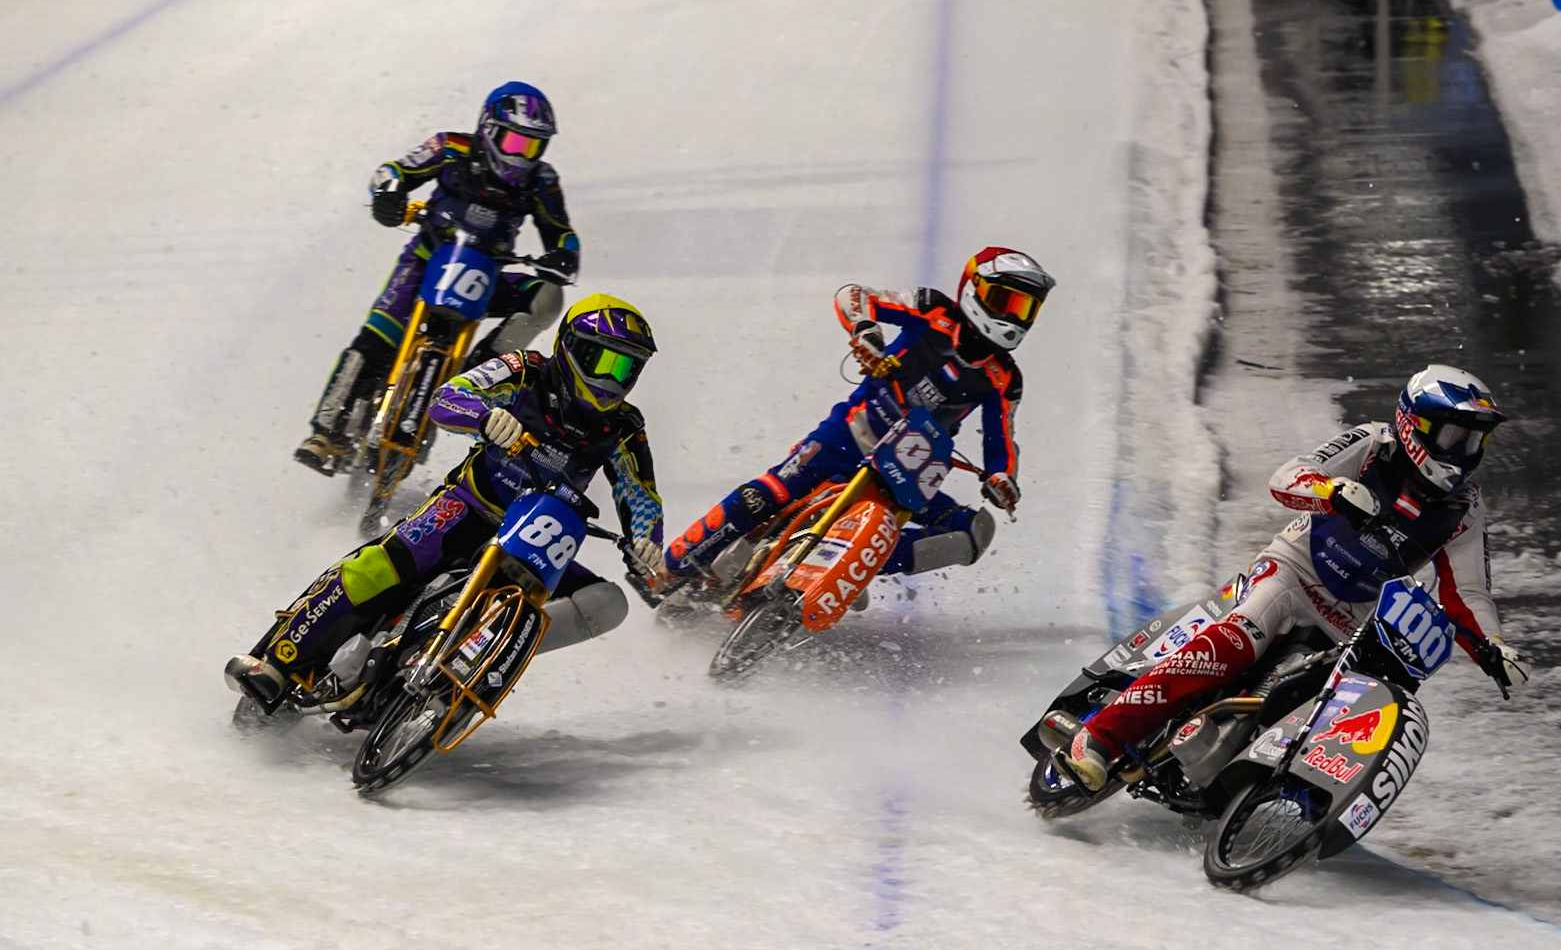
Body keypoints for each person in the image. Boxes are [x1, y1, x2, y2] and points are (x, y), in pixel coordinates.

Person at [1058, 364, 1532, 791]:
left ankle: (1253, 788)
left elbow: (1466, 593)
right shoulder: (1371, 444)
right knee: (1233, 646)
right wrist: (1332, 491)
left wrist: (1493, 644)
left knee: (1326, 707)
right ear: (1415, 426)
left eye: (1475, 440)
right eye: (1455, 435)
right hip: (1294, 571)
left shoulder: (1465, 511)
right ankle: (1098, 737)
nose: (1465, 451)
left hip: (1356, 620)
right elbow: (1288, 475)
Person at [228, 294, 667, 717]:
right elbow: (446, 397)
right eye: (602, 361)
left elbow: (640, 494)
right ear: (568, 345)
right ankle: (278, 663)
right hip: (468, 507)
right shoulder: (525, 368)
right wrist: (483, 417)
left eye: (626, 368)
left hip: (538, 542)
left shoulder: (626, 426)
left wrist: (646, 541)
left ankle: (491, 658)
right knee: (378, 566)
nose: (611, 380)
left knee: (609, 602)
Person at [644, 247, 1056, 600]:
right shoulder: (931, 309)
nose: (1013, 318)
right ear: (972, 289)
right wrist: (864, 331)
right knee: (767, 494)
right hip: (851, 436)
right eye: (1004, 301)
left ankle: (844, 572)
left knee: (973, 532)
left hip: (912, 470)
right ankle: (674, 567)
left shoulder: (1005, 378)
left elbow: (1002, 437)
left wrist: (1002, 477)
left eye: (1025, 308)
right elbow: (855, 295)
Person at [294, 81, 582, 475]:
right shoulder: (449, 147)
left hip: (489, 274)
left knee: (547, 297)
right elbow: (392, 171)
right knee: (378, 336)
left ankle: (488, 364)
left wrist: (564, 257)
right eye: (516, 143)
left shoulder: (542, 181)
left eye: (533, 146)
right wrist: (389, 194)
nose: (523, 157)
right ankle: (327, 431)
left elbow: (561, 231)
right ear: (489, 129)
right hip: (426, 261)